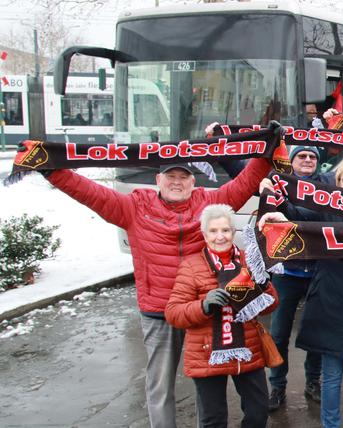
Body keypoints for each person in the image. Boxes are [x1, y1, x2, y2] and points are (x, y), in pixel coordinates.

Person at [43, 153, 272, 428]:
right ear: (158, 180)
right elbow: (90, 192)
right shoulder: (133, 207)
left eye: (183, 177)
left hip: (204, 312)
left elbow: (244, 183)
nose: (177, 182)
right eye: (171, 177)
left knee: (207, 382)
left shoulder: (208, 204)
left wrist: (266, 154)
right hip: (158, 311)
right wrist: (50, 170)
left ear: (192, 181)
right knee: (160, 384)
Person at [259, 155, 343, 428]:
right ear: (337, 183)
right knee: (331, 373)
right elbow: (297, 214)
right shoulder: (325, 208)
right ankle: (330, 425)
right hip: (329, 297)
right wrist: (275, 201)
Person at [165, 204, 278, 428]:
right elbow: (173, 313)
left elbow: (271, 305)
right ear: (205, 235)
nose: (220, 237)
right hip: (207, 353)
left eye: (225, 230)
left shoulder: (249, 260)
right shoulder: (191, 266)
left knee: (259, 412)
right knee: (213, 420)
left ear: (233, 232)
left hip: (247, 349)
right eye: (214, 231)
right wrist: (203, 306)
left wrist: (264, 288)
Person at [264, 146, 327, 411]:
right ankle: (277, 386)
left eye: (312, 157)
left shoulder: (329, 190)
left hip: (316, 272)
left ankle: (313, 381)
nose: (308, 160)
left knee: (316, 334)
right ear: (291, 161)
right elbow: (240, 170)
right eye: (301, 156)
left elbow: (313, 215)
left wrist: (284, 206)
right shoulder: (279, 183)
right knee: (278, 334)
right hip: (287, 273)